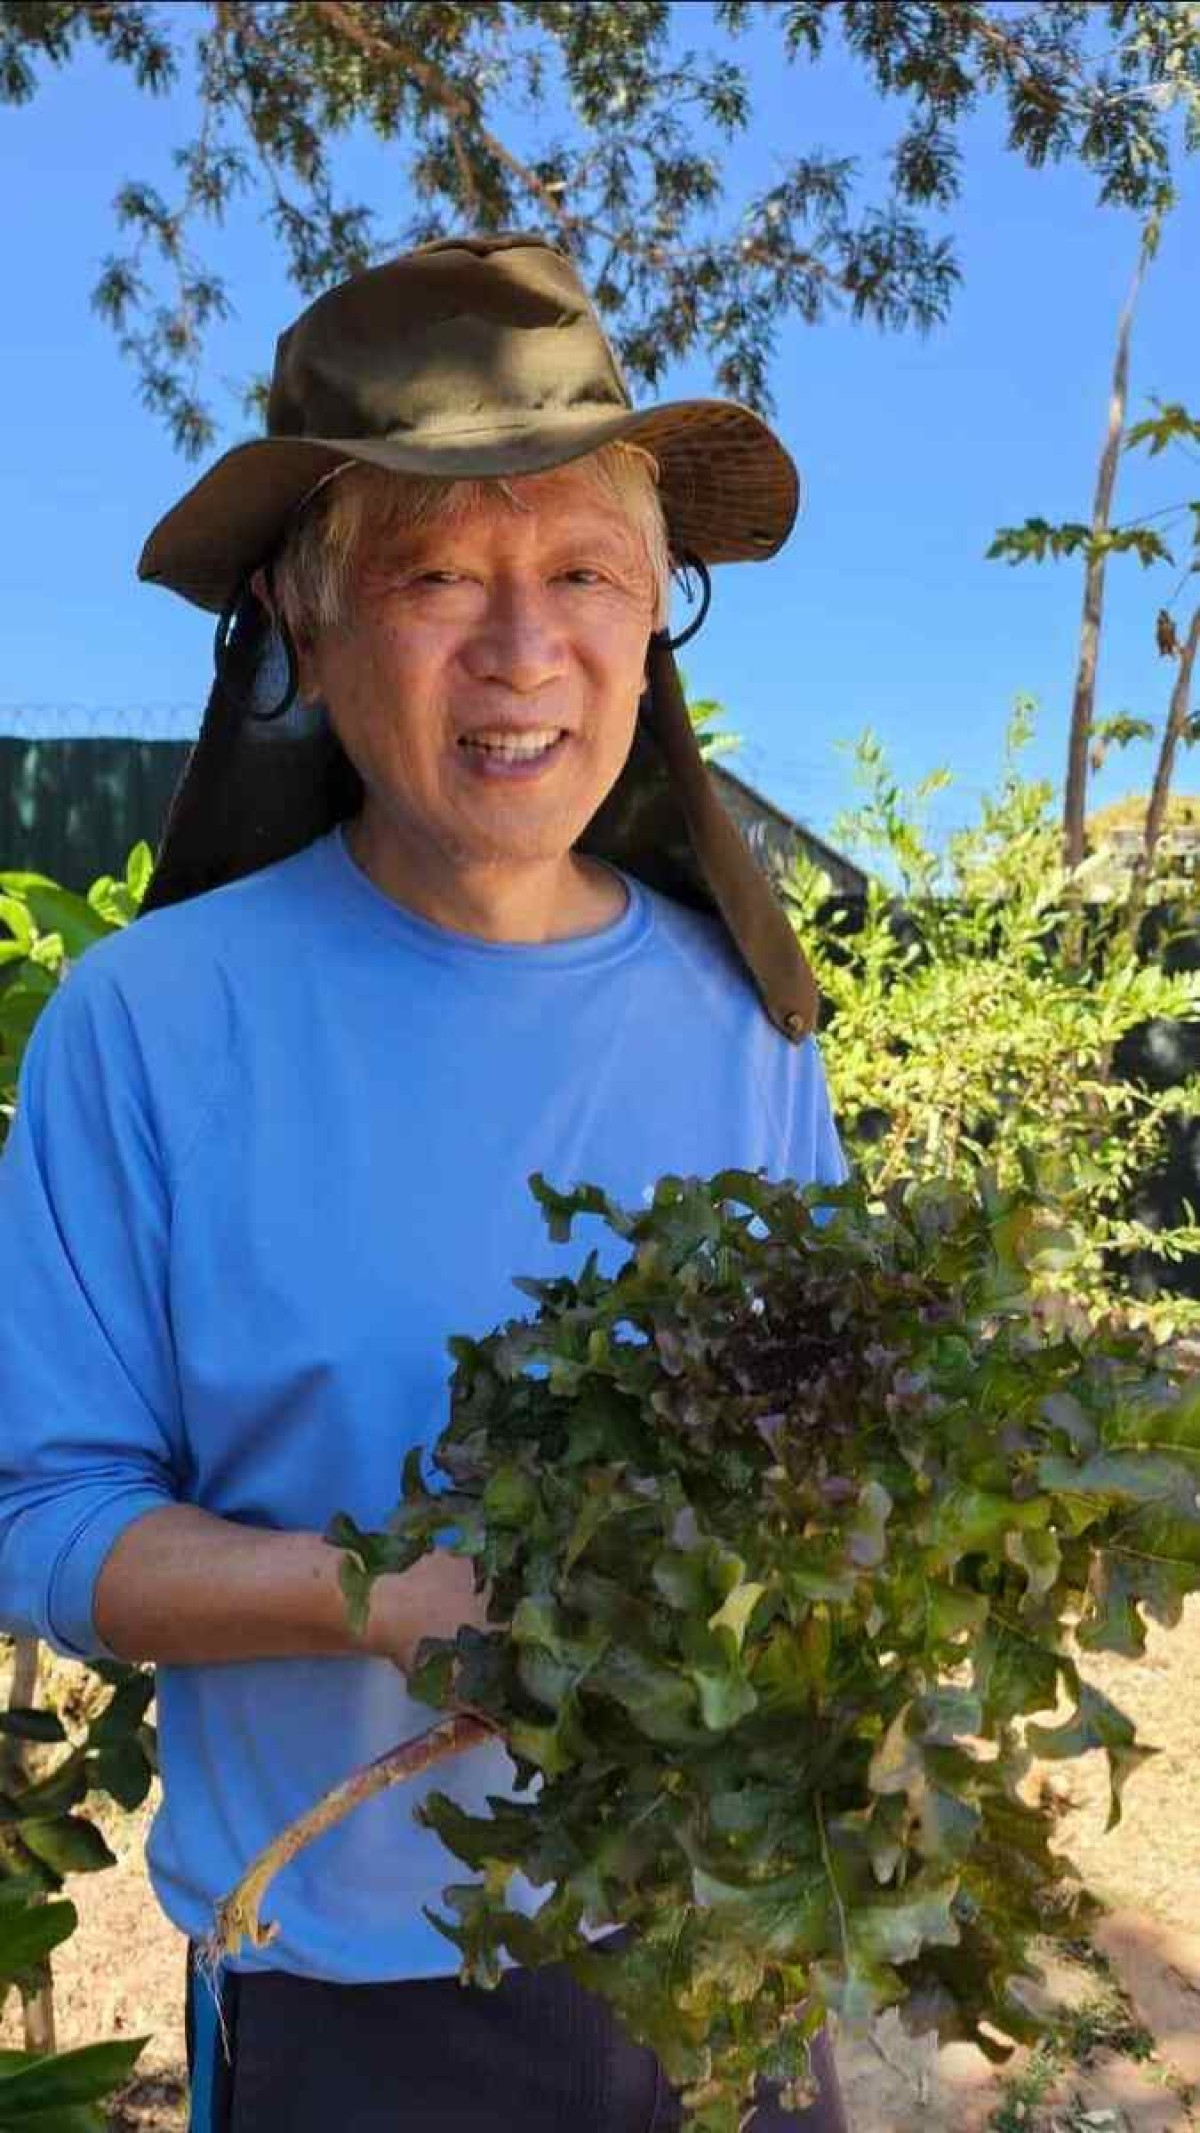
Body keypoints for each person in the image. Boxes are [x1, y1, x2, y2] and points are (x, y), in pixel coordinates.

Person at [0, 232, 850, 2131]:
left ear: (654, 623)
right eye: (439, 575)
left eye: (583, 574)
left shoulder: (748, 1025)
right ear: (302, 629)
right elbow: (45, 1525)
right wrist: (379, 1591)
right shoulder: (146, 1028)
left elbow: (832, 1457)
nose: (522, 647)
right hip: (355, 1994)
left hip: (718, 1952)